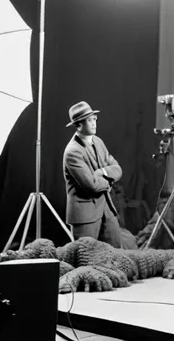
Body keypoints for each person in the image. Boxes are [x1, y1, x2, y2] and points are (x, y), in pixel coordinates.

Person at [62, 101, 122, 247]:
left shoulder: (98, 142)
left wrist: (102, 172)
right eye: (89, 120)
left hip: (106, 209)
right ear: (79, 125)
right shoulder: (72, 151)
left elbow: (118, 169)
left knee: (116, 255)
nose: (94, 123)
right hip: (84, 215)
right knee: (87, 258)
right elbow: (92, 186)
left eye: (94, 119)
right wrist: (109, 182)